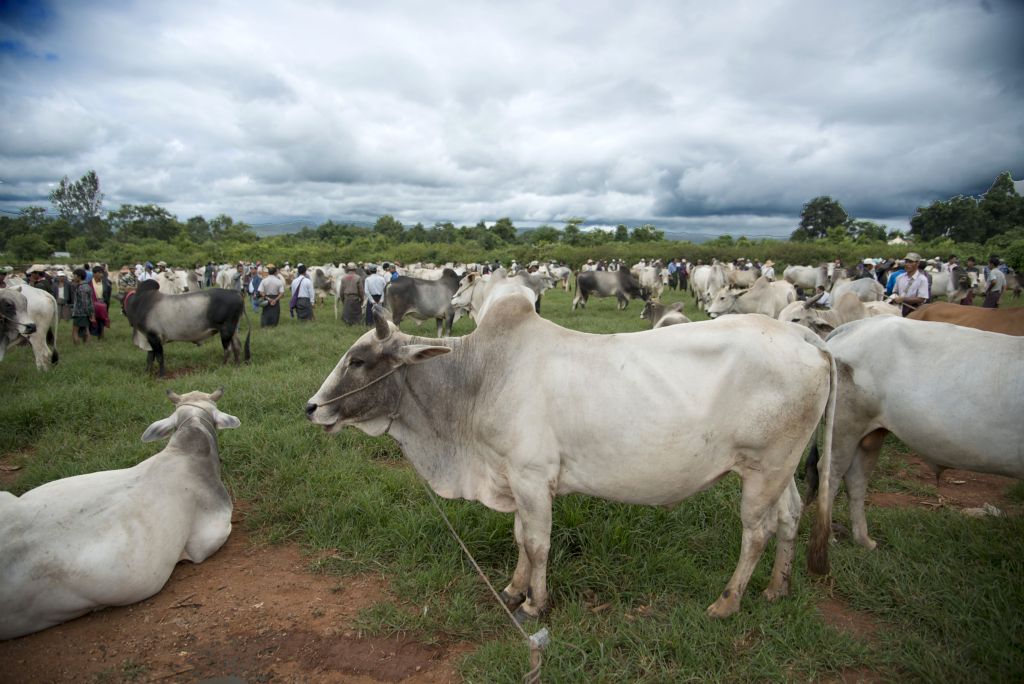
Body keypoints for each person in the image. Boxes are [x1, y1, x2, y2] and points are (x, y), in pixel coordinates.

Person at [892, 252, 929, 317]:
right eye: (906, 262)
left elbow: (921, 299)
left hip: (914, 311)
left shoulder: (922, 279)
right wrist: (894, 297)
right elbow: (895, 292)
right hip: (898, 309)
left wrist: (903, 299)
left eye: (911, 262)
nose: (907, 264)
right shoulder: (899, 277)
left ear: (918, 263)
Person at [70, 268, 95, 345]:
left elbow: (85, 302)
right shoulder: (87, 286)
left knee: (75, 331)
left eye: (75, 276)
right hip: (85, 312)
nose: (73, 278)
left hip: (80, 313)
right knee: (86, 329)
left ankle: (77, 347)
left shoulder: (81, 287)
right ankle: (88, 345)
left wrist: (89, 313)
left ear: (79, 277)